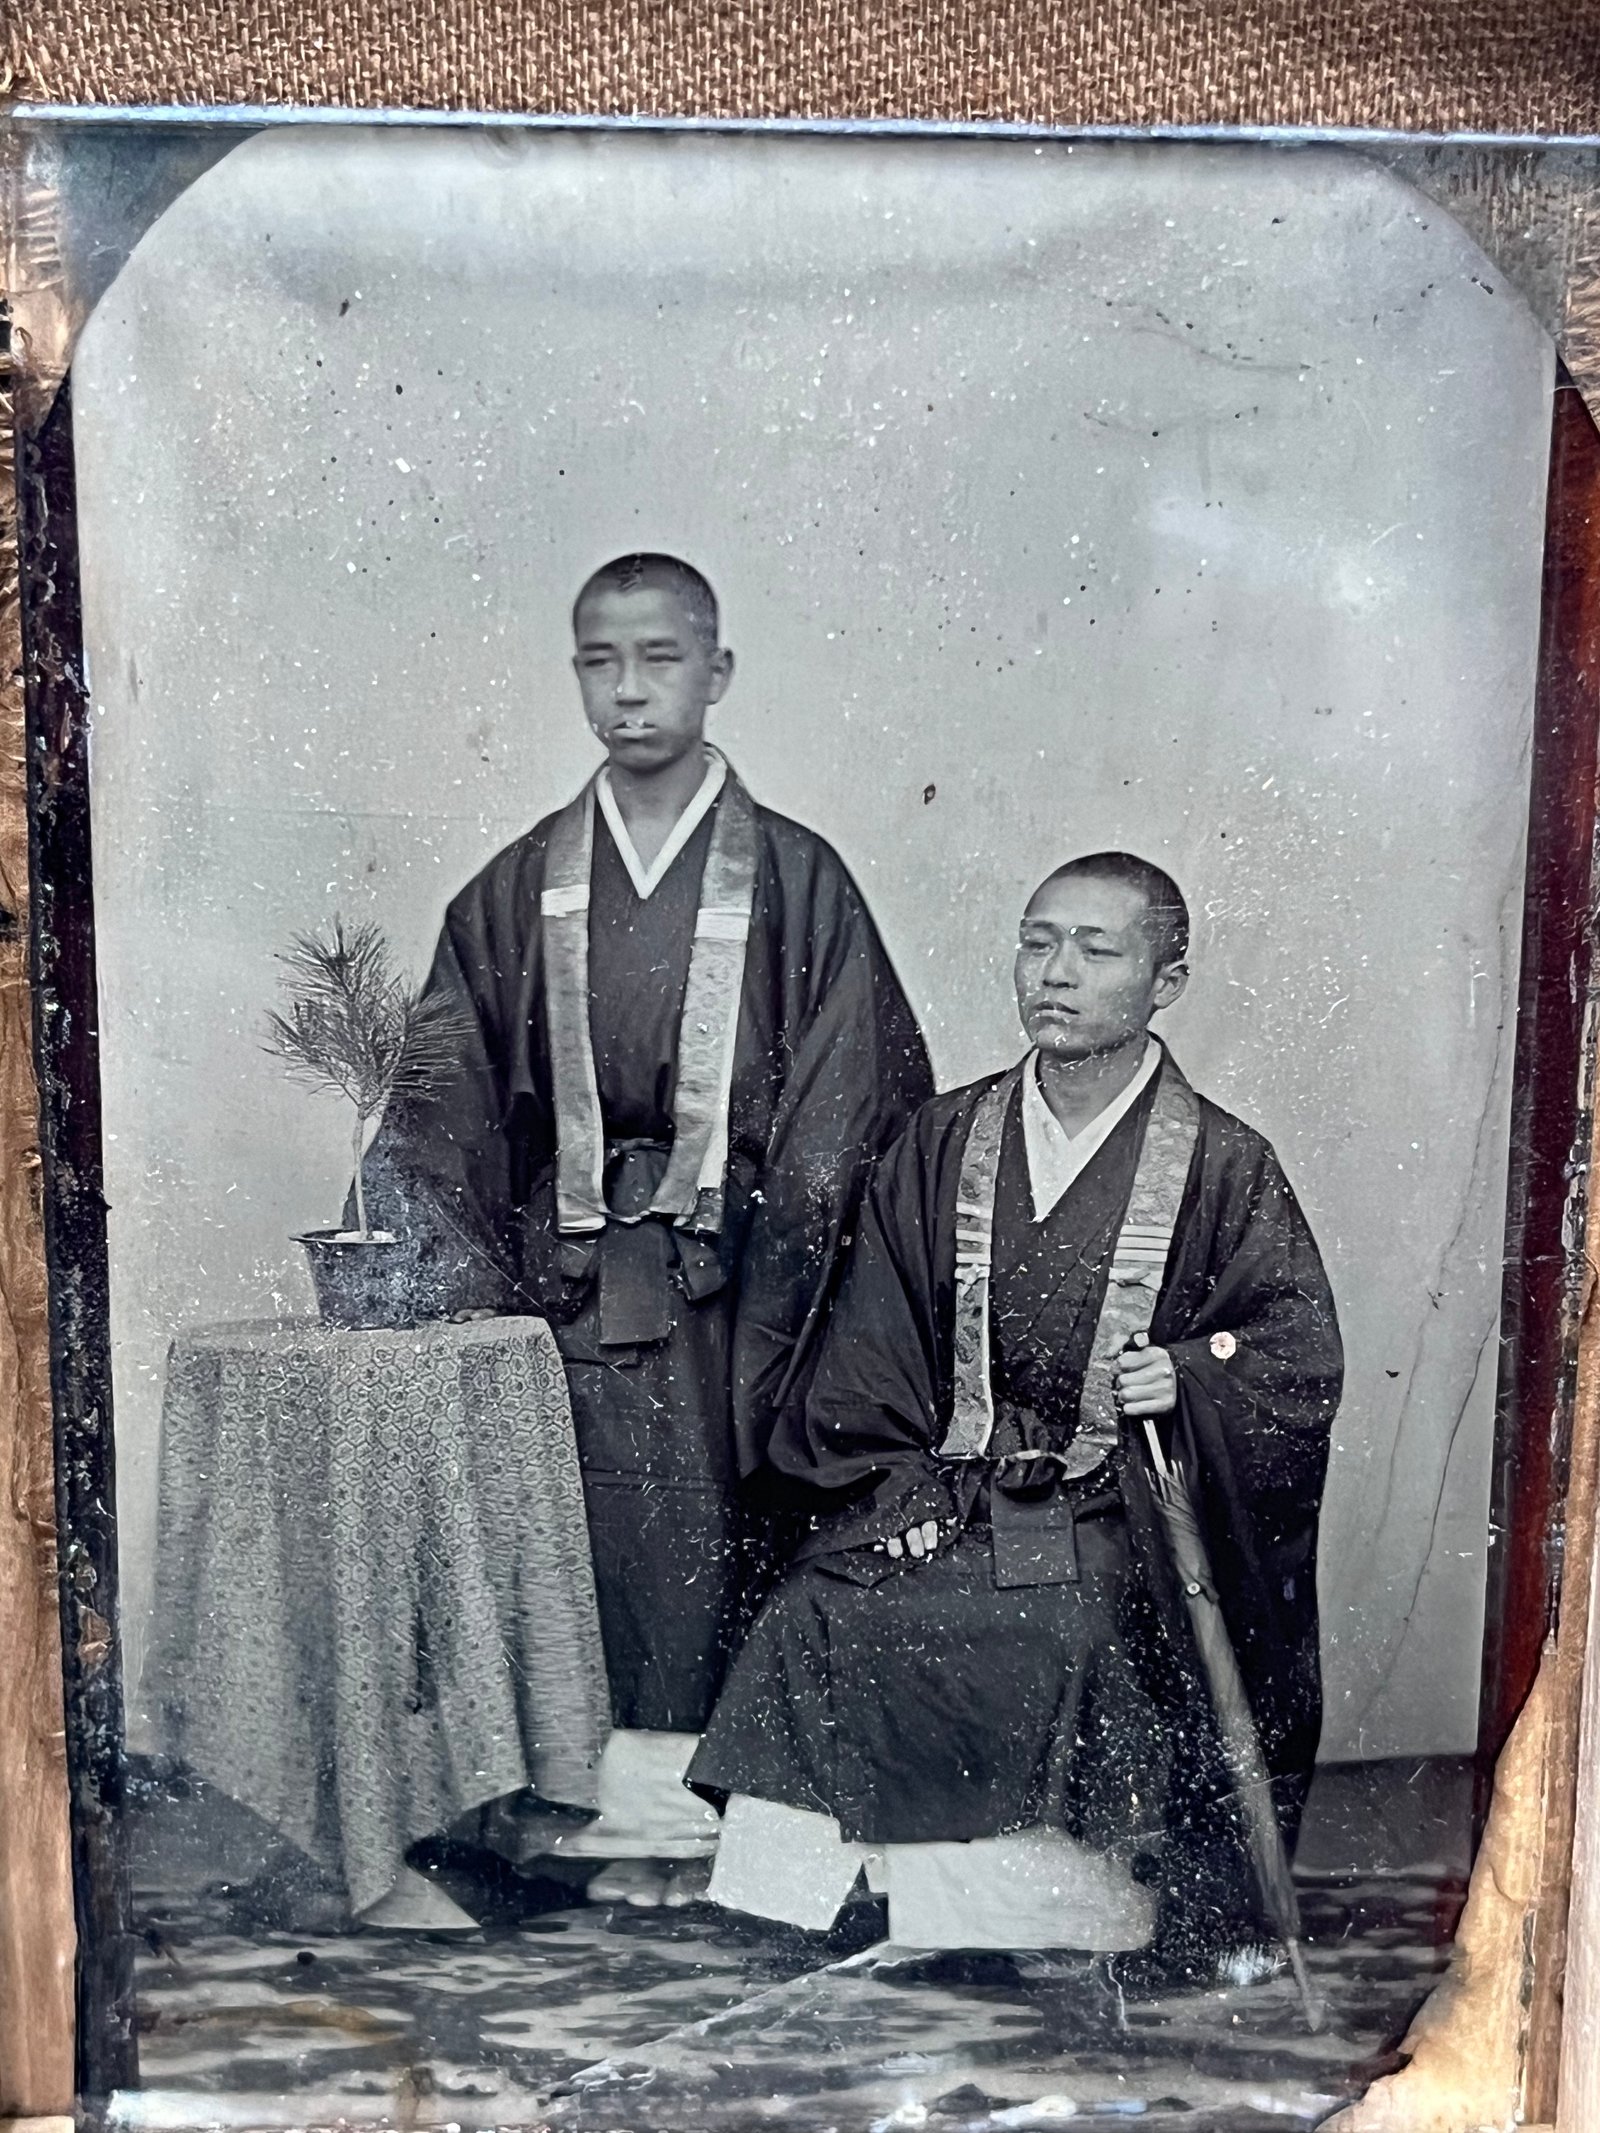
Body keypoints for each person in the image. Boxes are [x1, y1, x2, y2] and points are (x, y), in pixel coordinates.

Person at [363, 553, 932, 1906]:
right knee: (579, 1542)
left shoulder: (798, 879)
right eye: (601, 662)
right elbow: (440, 1107)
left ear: (717, 671)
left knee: (711, 1533)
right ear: (576, 676)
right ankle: (574, 1820)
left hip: (738, 1290)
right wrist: (476, 1279)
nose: (630, 689)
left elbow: (854, 1097)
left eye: (661, 657)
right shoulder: (513, 890)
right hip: (556, 1285)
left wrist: (775, 1269)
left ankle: (709, 1834)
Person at [689, 853, 1342, 1973]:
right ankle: (853, 1902)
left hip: (1118, 1504)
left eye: (1097, 949)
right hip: (955, 1486)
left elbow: (1293, 1353)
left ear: (1164, 980)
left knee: (1067, 1627)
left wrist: (1190, 1374)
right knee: (822, 1601)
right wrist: (896, 1480)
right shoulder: (944, 1140)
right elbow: (873, 1335)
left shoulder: (1227, 1163)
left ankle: (1057, 1916)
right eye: (1038, 942)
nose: (1057, 973)